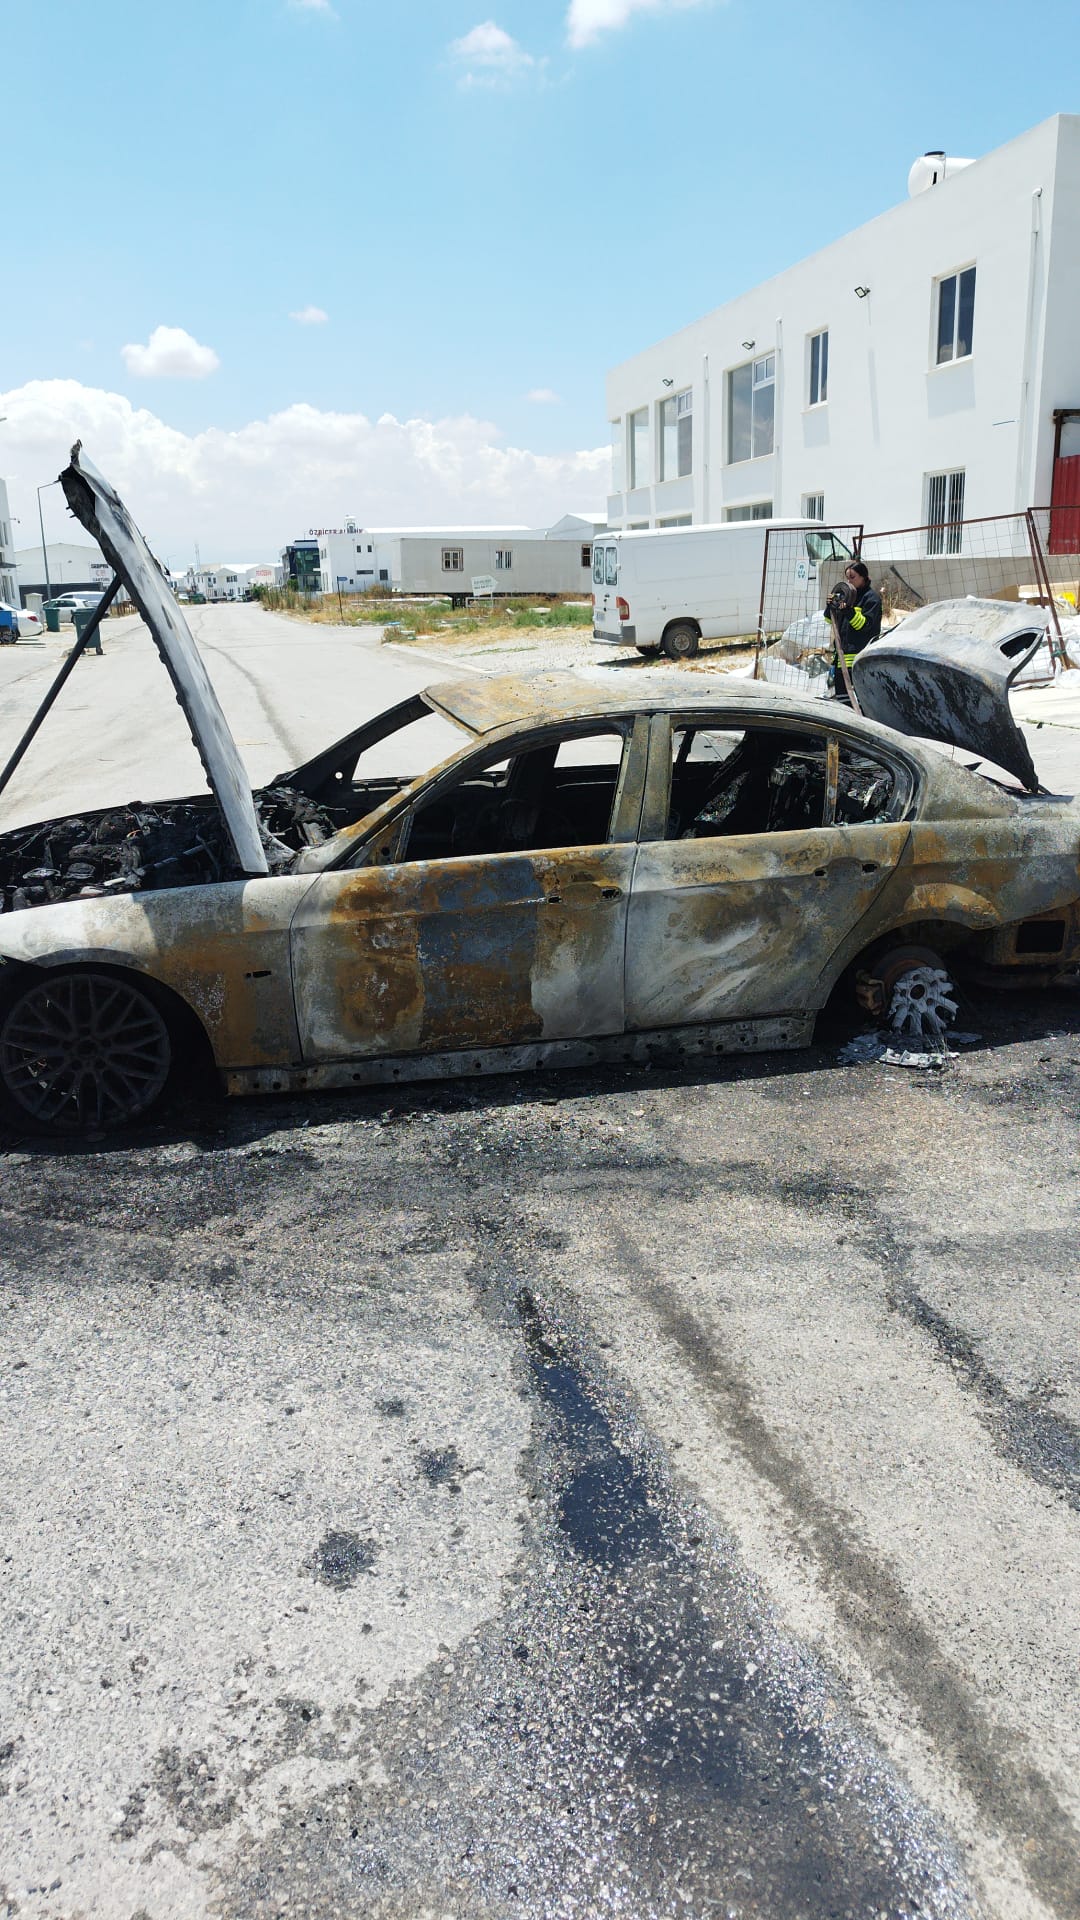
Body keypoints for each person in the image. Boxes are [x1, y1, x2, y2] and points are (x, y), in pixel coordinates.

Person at [824, 559, 882, 703]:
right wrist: (830, 606)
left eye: (852, 577)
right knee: (843, 702)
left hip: (859, 662)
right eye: (847, 578)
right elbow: (830, 621)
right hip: (841, 660)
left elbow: (864, 626)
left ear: (863, 577)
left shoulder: (871, 599)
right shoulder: (847, 597)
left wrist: (849, 612)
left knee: (860, 703)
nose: (849, 581)